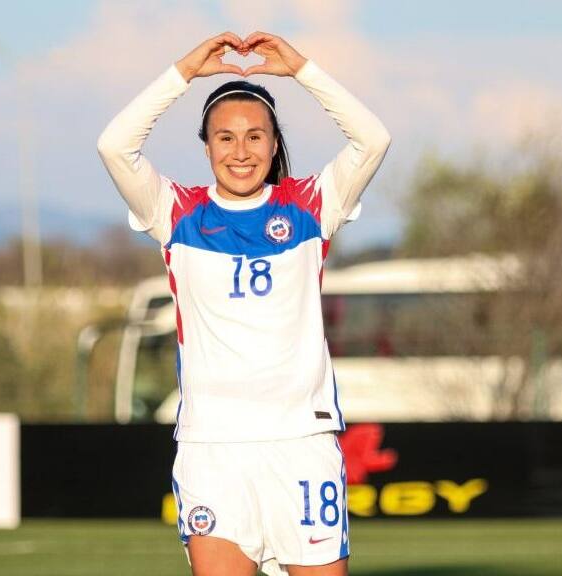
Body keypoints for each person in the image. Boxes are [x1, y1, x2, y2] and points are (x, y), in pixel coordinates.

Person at [98, 31, 390, 576]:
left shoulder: (310, 206)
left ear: (275, 145)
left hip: (302, 443)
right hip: (213, 450)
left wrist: (301, 70)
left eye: (255, 137)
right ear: (206, 146)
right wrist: (184, 73)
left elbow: (372, 139)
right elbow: (114, 146)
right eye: (225, 138)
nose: (241, 151)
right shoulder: (176, 214)